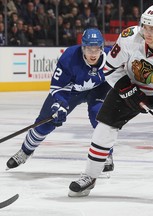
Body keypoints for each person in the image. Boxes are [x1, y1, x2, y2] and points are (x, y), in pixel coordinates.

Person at [68, 5, 153, 197]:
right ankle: (89, 176)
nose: (147, 32)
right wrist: (127, 89)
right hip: (130, 86)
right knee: (104, 128)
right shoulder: (129, 37)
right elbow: (111, 68)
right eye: (145, 26)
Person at [6, 28, 114, 173]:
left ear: (102, 48)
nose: (93, 53)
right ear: (83, 47)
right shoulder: (70, 57)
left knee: (99, 115)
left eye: (96, 49)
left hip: (98, 89)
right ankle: (26, 151)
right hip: (72, 91)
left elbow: (125, 71)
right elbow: (58, 86)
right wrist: (59, 104)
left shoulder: (112, 56)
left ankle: (106, 154)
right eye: (89, 49)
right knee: (46, 121)